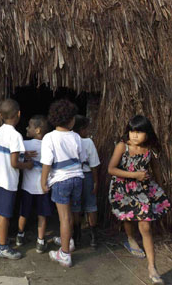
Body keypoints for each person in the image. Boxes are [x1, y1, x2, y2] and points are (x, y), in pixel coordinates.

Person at [108, 115, 172, 285]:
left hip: (142, 190)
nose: (134, 135)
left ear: (147, 133)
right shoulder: (122, 146)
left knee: (145, 225)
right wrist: (134, 175)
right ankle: (130, 239)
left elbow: (156, 169)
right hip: (122, 189)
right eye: (132, 131)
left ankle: (152, 267)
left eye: (139, 132)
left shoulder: (150, 149)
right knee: (128, 218)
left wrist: (160, 187)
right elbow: (111, 169)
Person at [40, 99, 86, 268]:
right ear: (71, 119)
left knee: (64, 218)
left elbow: (47, 162)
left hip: (61, 180)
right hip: (77, 179)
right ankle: (70, 241)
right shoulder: (76, 137)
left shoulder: (49, 137)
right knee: (73, 214)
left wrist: (43, 181)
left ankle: (65, 254)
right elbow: (80, 159)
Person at [0, 98, 33, 259]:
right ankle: (3, 247)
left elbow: (7, 152)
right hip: (8, 182)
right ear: (19, 114)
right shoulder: (16, 136)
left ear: (1, 115)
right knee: (6, 215)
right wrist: (27, 165)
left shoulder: (0, 131)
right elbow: (14, 163)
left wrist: (24, 153)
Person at [15, 115, 52, 253]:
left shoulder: (25, 144)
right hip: (43, 188)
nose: (26, 128)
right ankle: (41, 242)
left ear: (37, 130)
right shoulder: (49, 146)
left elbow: (15, 155)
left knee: (23, 212)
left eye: (29, 126)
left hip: (27, 188)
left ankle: (20, 236)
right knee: (42, 214)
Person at [72, 115, 100, 248]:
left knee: (75, 207)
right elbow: (94, 164)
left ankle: (76, 236)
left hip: (73, 176)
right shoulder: (88, 142)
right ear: (82, 129)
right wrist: (95, 182)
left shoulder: (69, 140)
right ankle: (93, 238)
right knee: (91, 206)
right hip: (87, 176)